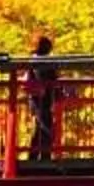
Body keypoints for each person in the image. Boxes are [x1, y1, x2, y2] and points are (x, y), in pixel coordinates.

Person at [23, 31, 59, 163]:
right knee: (45, 127)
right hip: (41, 98)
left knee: (40, 127)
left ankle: (34, 157)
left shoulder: (34, 59)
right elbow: (47, 78)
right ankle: (44, 157)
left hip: (36, 98)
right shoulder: (41, 62)